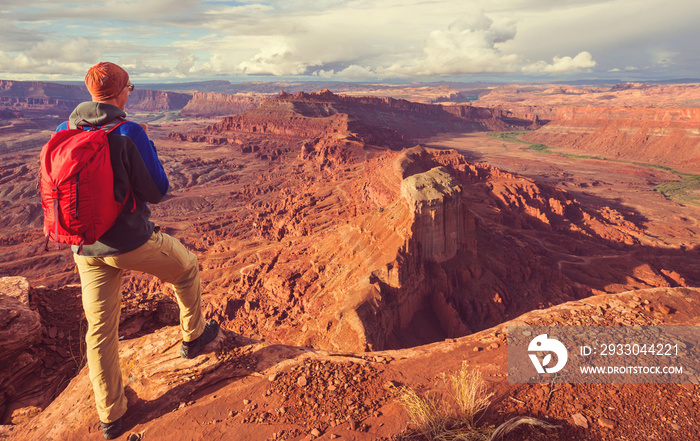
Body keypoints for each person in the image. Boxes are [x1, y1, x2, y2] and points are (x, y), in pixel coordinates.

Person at [57, 62, 219, 440]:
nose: (130, 93)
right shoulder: (128, 131)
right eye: (130, 88)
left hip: (84, 248)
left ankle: (111, 415)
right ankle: (194, 337)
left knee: (100, 331)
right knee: (187, 267)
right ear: (121, 93)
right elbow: (156, 191)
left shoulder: (64, 130)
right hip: (131, 242)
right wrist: (150, 149)